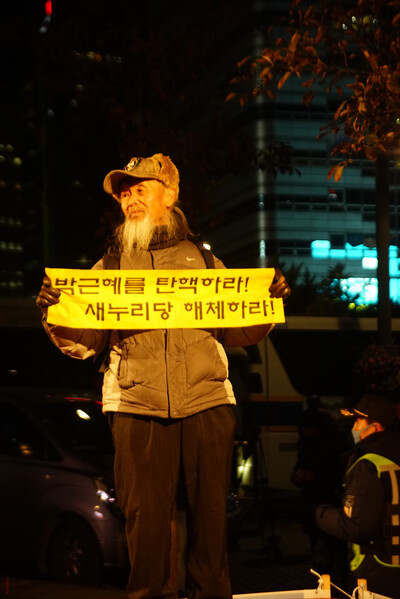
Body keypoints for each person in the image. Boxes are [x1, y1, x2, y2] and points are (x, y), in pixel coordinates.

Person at [36, 153, 291, 599]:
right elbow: (86, 342)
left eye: (140, 189)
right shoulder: (109, 268)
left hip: (208, 402)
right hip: (135, 405)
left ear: (169, 195)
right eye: (125, 193)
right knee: (146, 529)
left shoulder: (207, 265)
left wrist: (268, 302)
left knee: (211, 524)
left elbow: (239, 330)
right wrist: (56, 313)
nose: (130, 199)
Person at [314, 394, 400, 599]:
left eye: (359, 420)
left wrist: (319, 513)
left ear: (377, 427)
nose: (354, 426)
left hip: (377, 570)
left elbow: (356, 527)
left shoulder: (368, 464)